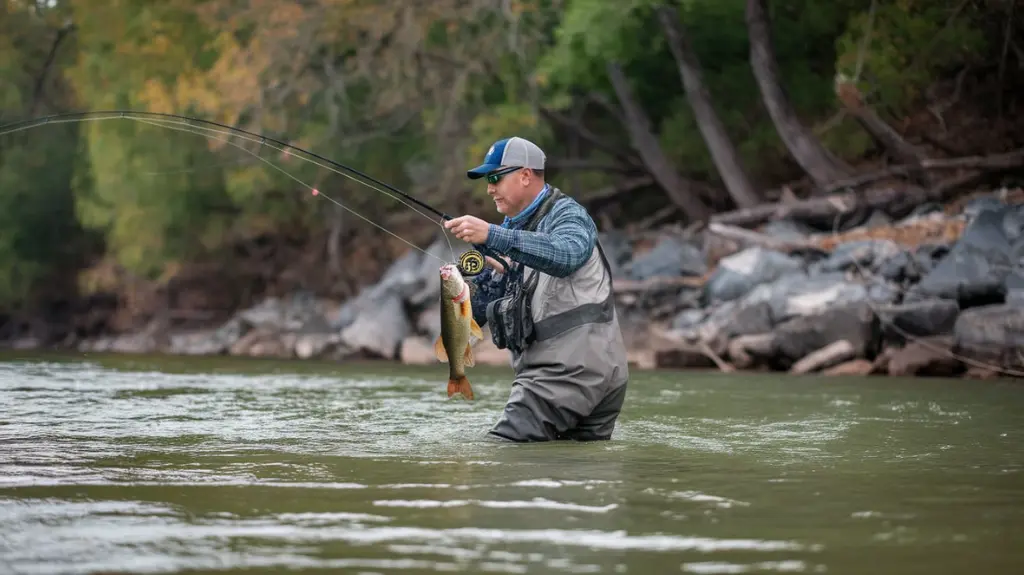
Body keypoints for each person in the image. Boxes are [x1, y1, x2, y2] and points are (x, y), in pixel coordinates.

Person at [443, 136, 629, 443]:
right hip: (593, 377)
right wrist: (465, 285)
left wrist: (492, 233)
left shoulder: (567, 216)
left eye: (495, 178)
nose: (489, 188)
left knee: (499, 457)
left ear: (525, 175)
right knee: (573, 476)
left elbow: (566, 255)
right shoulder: (512, 233)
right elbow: (477, 316)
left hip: (563, 374)